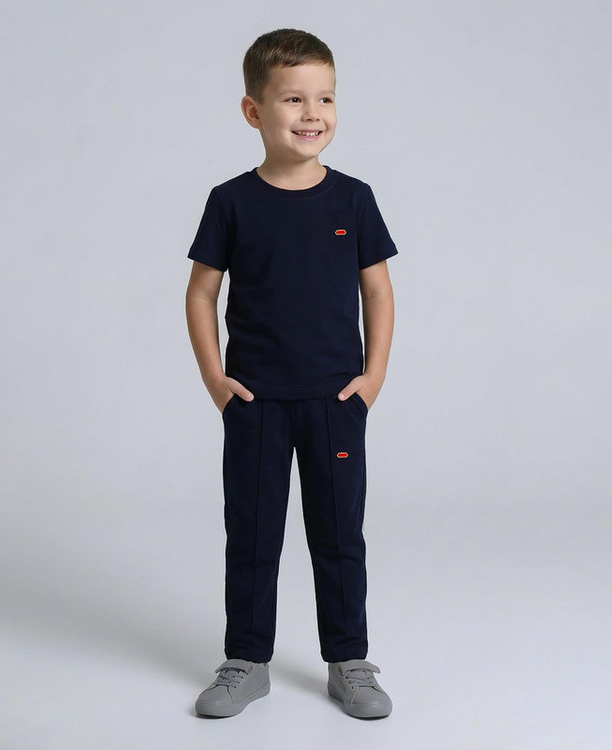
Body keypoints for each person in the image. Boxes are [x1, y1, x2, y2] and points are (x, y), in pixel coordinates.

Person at [185, 28, 397, 719]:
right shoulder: (231, 201)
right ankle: (246, 661)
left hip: (336, 400)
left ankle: (350, 660)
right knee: (252, 534)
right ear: (254, 111)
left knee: (338, 534)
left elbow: (377, 292)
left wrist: (373, 377)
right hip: (256, 402)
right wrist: (216, 380)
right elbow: (201, 293)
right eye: (294, 99)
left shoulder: (354, 199)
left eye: (325, 98)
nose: (313, 113)